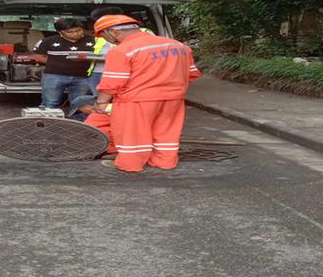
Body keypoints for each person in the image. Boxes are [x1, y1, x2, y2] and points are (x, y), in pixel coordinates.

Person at [88, 14, 202, 172]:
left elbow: (112, 83)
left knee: (133, 134)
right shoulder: (179, 46)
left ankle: (130, 164)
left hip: (136, 100)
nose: (106, 40)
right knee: (166, 132)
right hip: (173, 99)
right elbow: (191, 74)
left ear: (113, 32)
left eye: (103, 36)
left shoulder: (122, 51)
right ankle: (164, 162)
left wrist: (101, 103)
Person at [33, 18, 95, 110]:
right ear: (60, 32)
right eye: (70, 32)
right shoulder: (47, 41)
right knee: (50, 103)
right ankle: (50, 123)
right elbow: (38, 56)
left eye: (78, 30)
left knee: (80, 105)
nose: (76, 34)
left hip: (84, 76)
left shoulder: (94, 41)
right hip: (54, 76)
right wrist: (58, 63)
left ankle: (78, 123)